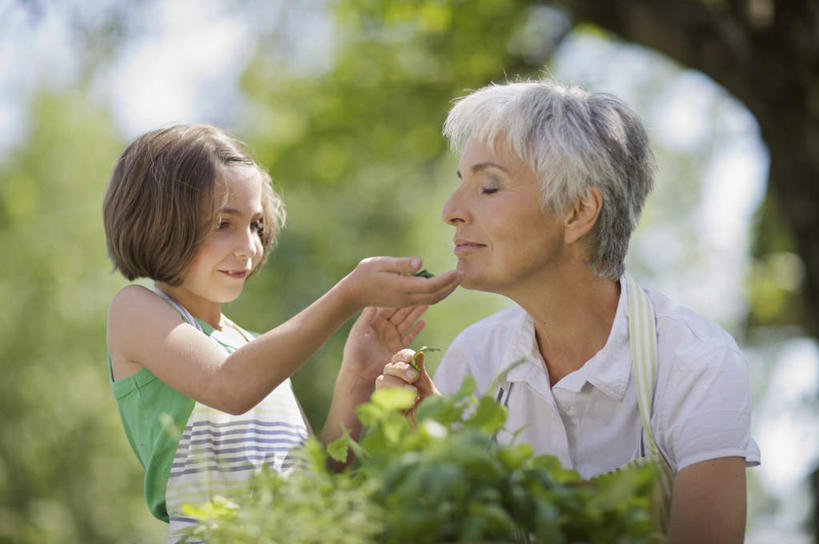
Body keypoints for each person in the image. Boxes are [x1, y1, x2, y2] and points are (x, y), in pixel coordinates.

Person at [377, 79, 760, 542]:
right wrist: (443, 448)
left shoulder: (695, 363)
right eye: (462, 183)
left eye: (490, 186)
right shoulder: (474, 358)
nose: (451, 211)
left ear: (578, 212)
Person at [103, 124, 461, 543]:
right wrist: (347, 296)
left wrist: (357, 378)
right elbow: (226, 385)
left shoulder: (252, 352)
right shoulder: (137, 309)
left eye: (255, 224)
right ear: (160, 222)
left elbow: (314, 485)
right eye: (223, 224)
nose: (249, 246)